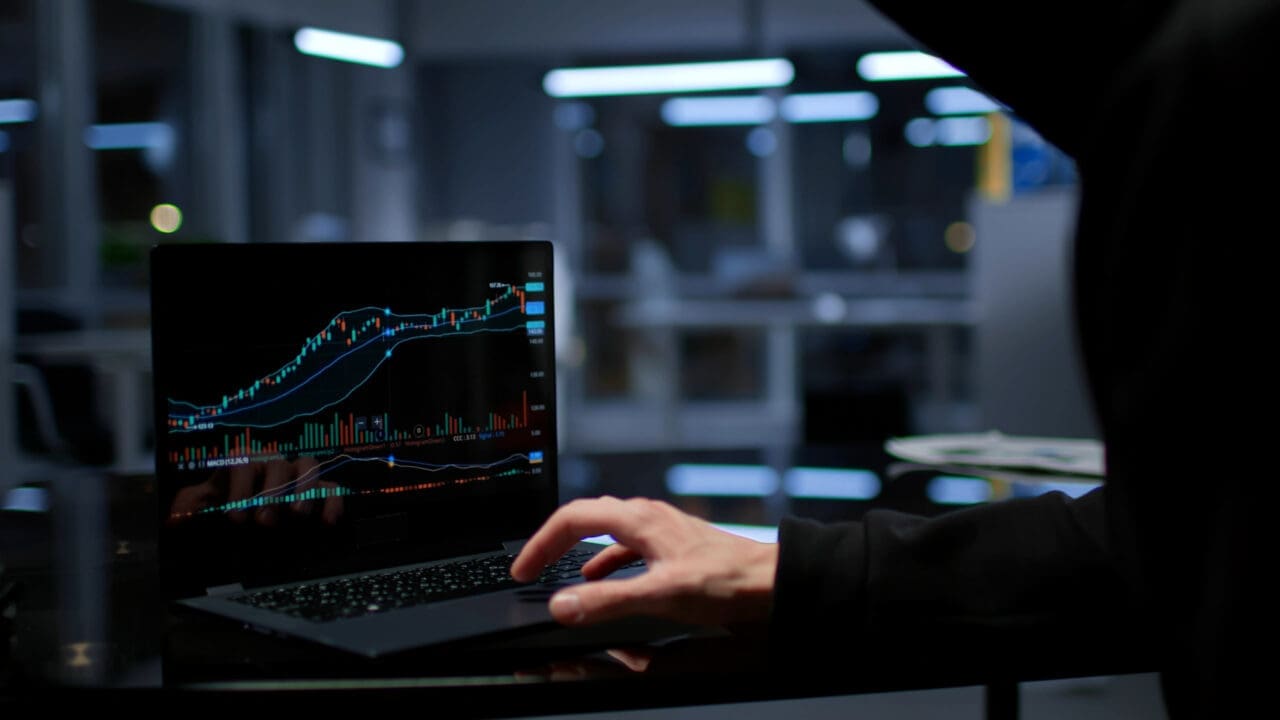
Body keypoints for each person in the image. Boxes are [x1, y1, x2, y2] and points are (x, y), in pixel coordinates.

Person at [514, 0, 1273, 715]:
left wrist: (804, 573)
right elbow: (1150, 540)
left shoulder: (1219, 76)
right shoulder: (1209, 68)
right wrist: (802, 572)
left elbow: (1182, 540)